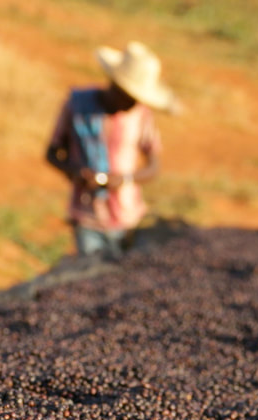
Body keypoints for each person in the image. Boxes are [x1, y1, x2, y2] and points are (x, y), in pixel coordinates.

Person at [45, 41, 176, 260]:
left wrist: (123, 179)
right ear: (116, 84)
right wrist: (76, 171)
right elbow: (52, 152)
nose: (132, 103)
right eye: (129, 96)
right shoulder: (77, 106)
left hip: (127, 215)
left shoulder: (141, 115)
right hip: (87, 215)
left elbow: (154, 166)